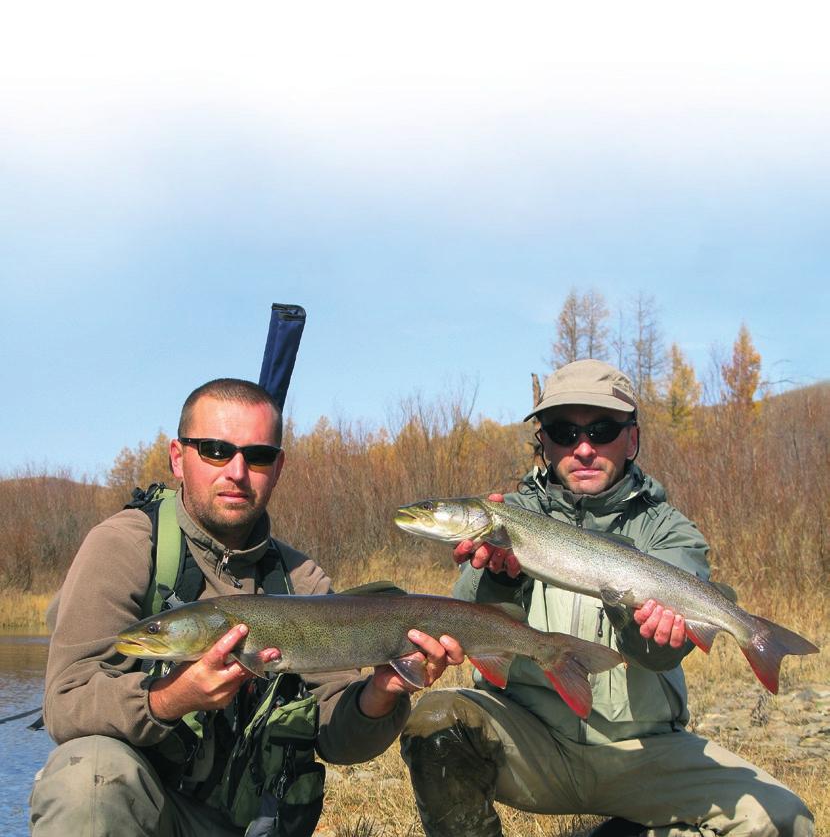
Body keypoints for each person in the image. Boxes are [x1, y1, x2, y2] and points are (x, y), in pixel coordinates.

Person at [30, 378, 463, 836]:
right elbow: (66, 702)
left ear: (277, 467)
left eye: (256, 455)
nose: (236, 471)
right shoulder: (124, 547)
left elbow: (338, 741)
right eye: (215, 450)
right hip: (155, 816)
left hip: (256, 823)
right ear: (178, 457)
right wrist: (171, 698)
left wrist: (382, 692)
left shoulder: (301, 578)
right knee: (86, 776)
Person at [400, 359, 814, 837]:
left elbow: (662, 653)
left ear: (631, 439)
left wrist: (655, 631)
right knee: (435, 720)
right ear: (543, 443)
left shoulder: (668, 530)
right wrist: (499, 578)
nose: (583, 448)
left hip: (643, 752)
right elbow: (469, 622)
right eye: (562, 431)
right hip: (533, 741)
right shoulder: (507, 518)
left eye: (602, 430)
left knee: (784, 818)